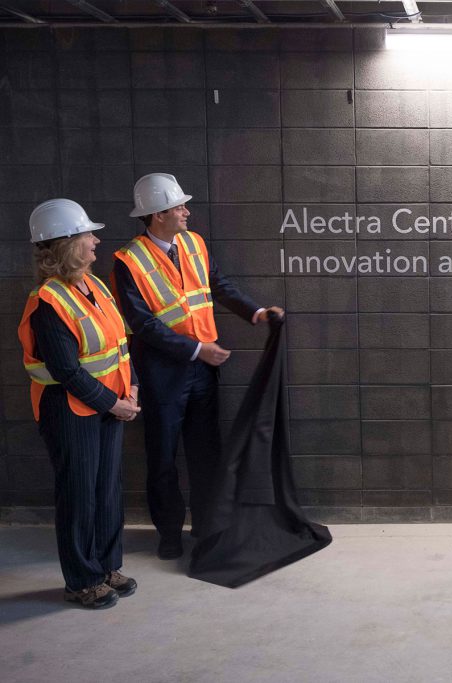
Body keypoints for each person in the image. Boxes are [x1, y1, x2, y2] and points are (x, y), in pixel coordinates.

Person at [111, 173, 283, 560]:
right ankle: (169, 533)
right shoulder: (128, 261)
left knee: (207, 454)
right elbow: (143, 324)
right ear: (157, 216)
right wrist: (196, 350)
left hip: (203, 371)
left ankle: (207, 527)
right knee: (162, 458)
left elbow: (218, 285)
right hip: (161, 374)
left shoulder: (194, 243)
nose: (187, 212)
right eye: (179, 207)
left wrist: (254, 312)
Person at [17, 199, 140, 609]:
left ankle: (106, 568)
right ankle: (81, 581)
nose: (96, 241)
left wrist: (132, 387)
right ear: (68, 245)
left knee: (107, 492)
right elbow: (67, 372)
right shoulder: (48, 302)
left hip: (108, 406)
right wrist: (114, 403)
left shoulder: (95, 285)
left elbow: (120, 346)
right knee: (79, 495)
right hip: (69, 411)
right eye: (88, 235)